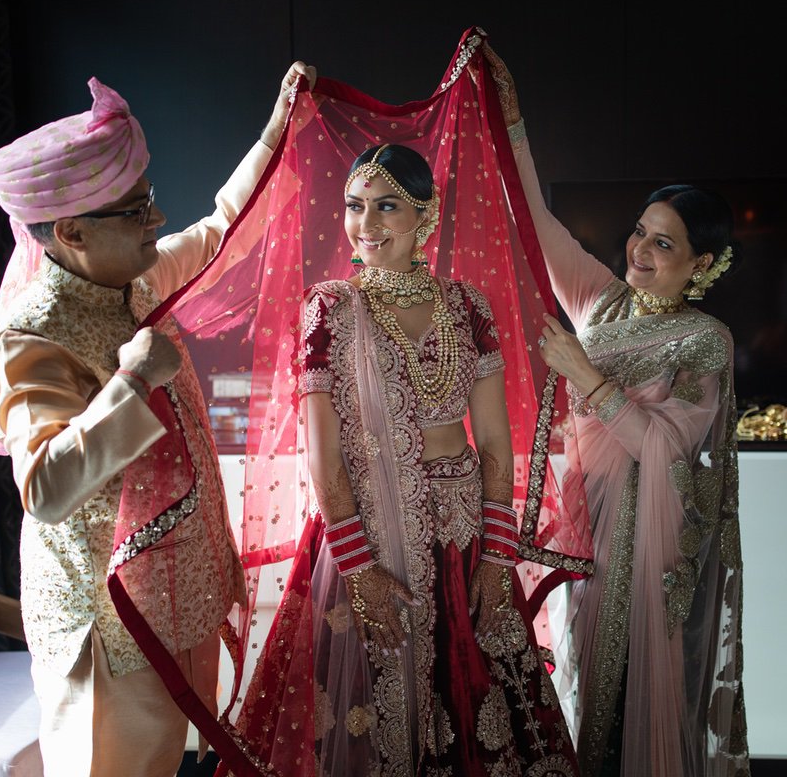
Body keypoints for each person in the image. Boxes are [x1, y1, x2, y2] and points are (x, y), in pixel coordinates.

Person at [0, 62, 314, 776]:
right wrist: (133, 379)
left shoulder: (133, 282)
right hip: (104, 627)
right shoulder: (31, 338)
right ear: (70, 230)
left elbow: (222, 227)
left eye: (148, 199)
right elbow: (45, 487)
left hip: (175, 597)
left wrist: (277, 127)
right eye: (135, 210)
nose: (156, 219)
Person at [227, 143, 580, 776]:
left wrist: (499, 559)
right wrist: (360, 570)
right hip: (364, 537)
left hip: (463, 536)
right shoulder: (330, 309)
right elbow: (324, 458)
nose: (366, 226)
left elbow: (495, 444)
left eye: (386, 207)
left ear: (427, 212)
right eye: (354, 207)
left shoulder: (467, 307)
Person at [487, 47, 751, 777]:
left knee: (637, 693)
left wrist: (584, 373)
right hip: (588, 528)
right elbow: (534, 220)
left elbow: (664, 445)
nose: (639, 249)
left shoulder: (705, 340)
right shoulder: (603, 302)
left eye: (663, 244)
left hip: (652, 541)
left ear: (702, 264)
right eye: (640, 231)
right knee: (581, 692)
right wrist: (512, 122)